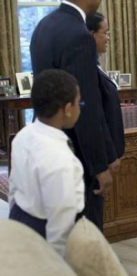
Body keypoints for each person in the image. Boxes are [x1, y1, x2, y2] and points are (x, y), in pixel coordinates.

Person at [30, 0, 117, 231]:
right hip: (76, 153)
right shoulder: (78, 34)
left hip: (48, 145)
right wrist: (99, 165)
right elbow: (86, 106)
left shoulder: (44, 25)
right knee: (84, 233)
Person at [9, 69, 84, 257]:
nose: (80, 108)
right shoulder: (61, 159)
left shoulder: (22, 135)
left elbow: (13, 188)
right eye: (78, 103)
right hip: (44, 230)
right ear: (67, 110)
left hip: (19, 217)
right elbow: (61, 220)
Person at [86, 12, 125, 164]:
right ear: (92, 34)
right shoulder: (88, 69)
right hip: (102, 156)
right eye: (105, 32)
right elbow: (96, 117)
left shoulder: (95, 64)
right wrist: (109, 154)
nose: (108, 37)